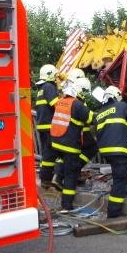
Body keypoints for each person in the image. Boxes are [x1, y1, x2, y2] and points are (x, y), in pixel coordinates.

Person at [95, 86, 127, 218]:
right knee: (121, 179)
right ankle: (114, 212)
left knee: (119, 176)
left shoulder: (100, 112)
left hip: (105, 151)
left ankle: (121, 193)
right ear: (116, 95)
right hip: (118, 149)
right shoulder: (121, 106)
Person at [50, 77, 94, 213]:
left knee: (65, 163)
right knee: (71, 174)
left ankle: (57, 175)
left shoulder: (61, 101)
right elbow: (92, 118)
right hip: (69, 145)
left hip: (56, 142)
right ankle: (66, 206)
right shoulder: (77, 105)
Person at [34, 64, 59, 188]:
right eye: (54, 75)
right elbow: (56, 105)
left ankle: (46, 177)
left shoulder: (41, 89)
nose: (56, 78)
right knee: (51, 153)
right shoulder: (49, 87)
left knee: (46, 153)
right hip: (50, 126)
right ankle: (46, 179)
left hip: (43, 126)